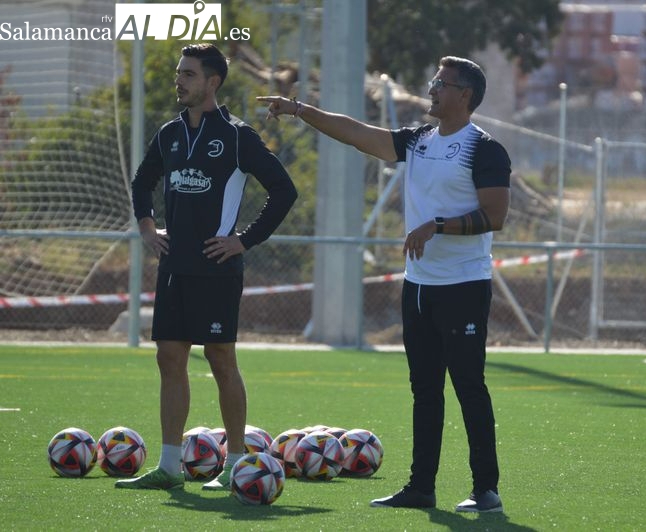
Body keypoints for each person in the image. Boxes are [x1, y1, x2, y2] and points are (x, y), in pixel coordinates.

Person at [258, 56, 510, 513]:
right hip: (418, 286)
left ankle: (485, 489)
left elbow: (495, 216)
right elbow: (356, 133)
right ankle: (421, 488)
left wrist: (438, 226)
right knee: (424, 388)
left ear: (465, 96)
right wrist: (299, 110)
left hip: (464, 286)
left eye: (442, 83)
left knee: (469, 386)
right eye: (434, 79)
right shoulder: (418, 141)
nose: (432, 88)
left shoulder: (484, 149)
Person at [116, 43, 297, 491]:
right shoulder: (169, 134)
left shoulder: (237, 136)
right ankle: (169, 466)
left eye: (189, 74)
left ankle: (236, 464)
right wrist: (146, 227)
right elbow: (142, 182)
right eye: (179, 72)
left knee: (220, 359)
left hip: (217, 270)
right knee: (168, 357)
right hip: (175, 268)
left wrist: (244, 240)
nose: (180, 80)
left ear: (212, 83)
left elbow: (284, 190)